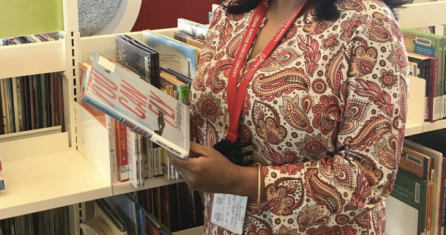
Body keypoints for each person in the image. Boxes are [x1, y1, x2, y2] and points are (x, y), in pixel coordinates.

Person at [169, 0, 408, 234]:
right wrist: (172, 135)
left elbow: (370, 175)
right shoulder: (231, 12)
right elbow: (212, 109)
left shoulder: (369, 21)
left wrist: (238, 180)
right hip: (225, 222)